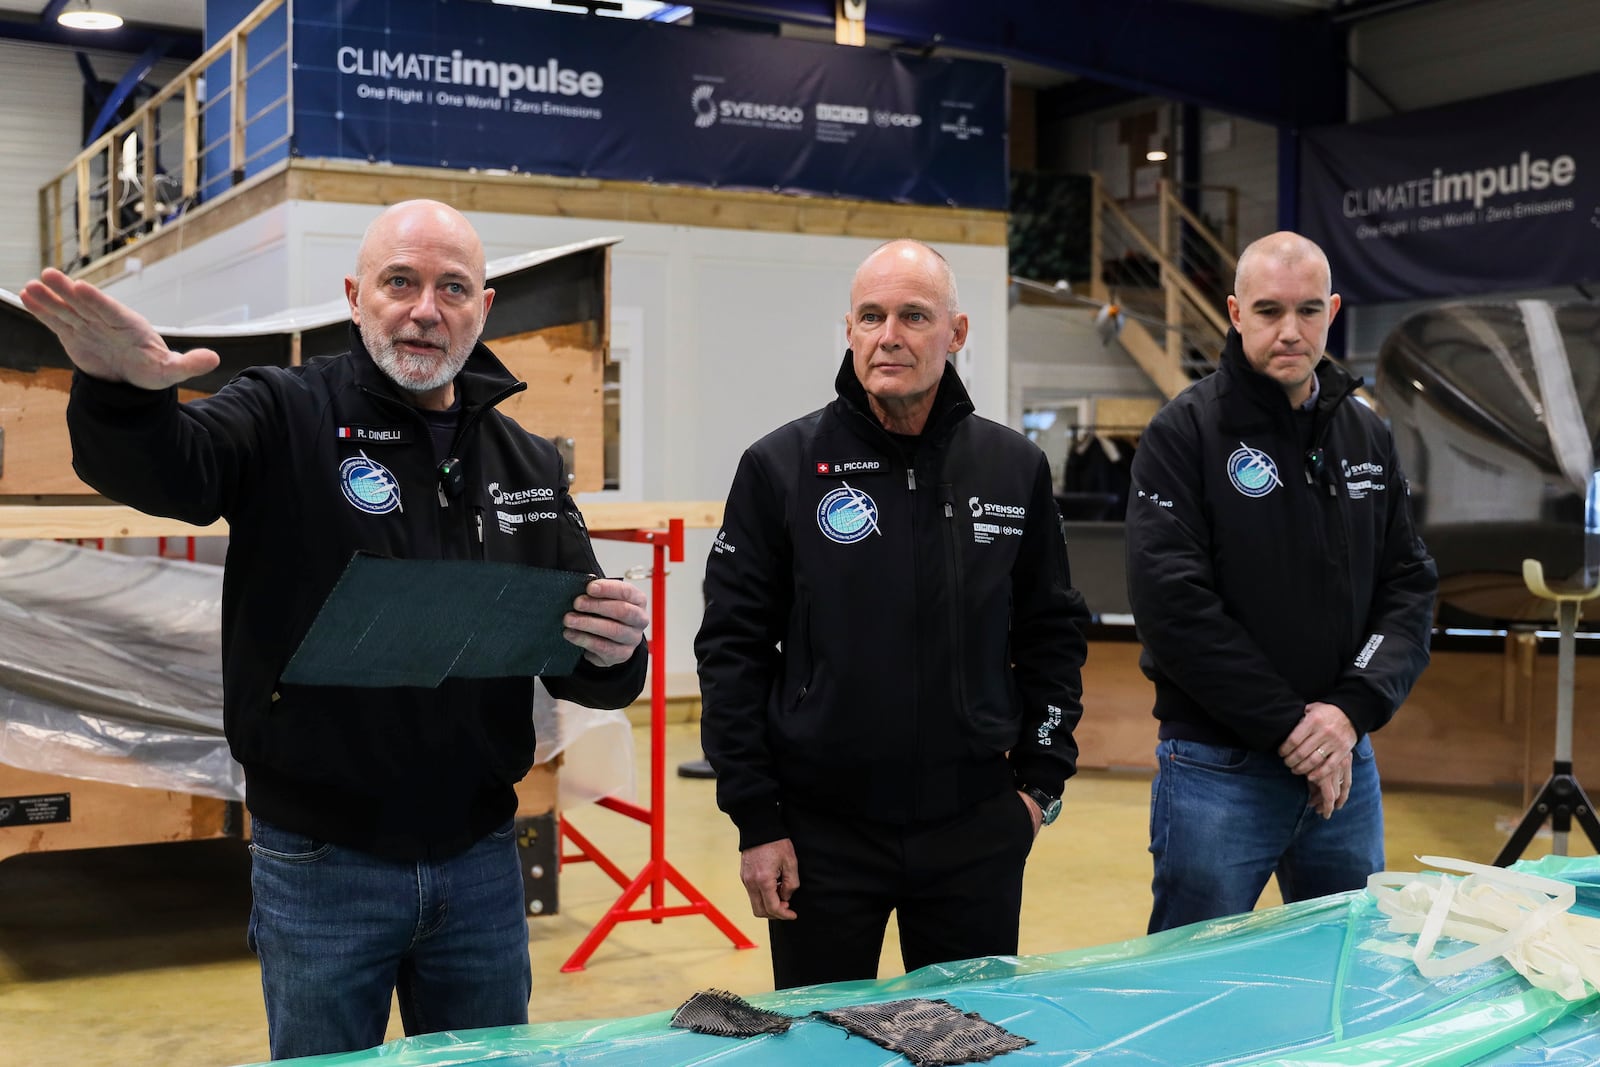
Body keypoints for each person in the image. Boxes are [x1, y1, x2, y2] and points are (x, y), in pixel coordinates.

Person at [20, 200, 649, 1059]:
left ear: (484, 308)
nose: (426, 308)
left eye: (452, 287)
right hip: (322, 866)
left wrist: (619, 654)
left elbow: (582, 660)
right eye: (401, 281)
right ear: (356, 295)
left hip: (480, 860)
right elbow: (177, 468)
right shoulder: (284, 415)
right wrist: (124, 398)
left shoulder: (527, 462)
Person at [695, 239, 1090, 988]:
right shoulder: (780, 467)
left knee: (967, 1040)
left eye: (914, 315)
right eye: (871, 316)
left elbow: (1051, 632)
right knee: (821, 1048)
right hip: (820, 836)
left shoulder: (1012, 468)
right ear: (848, 329)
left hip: (974, 828)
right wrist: (758, 818)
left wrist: (1038, 788)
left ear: (957, 332)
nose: (890, 336)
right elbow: (732, 650)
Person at [1124, 230, 1437, 934]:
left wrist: (1348, 710)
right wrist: (1294, 725)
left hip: (1345, 764)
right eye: (1268, 311)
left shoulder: (1366, 436)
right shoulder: (1184, 435)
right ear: (1235, 314)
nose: (1289, 331)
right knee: (1190, 989)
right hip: (1218, 769)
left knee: (1348, 977)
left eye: (1306, 311)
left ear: (1332, 311)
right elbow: (1174, 608)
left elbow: (1408, 585)